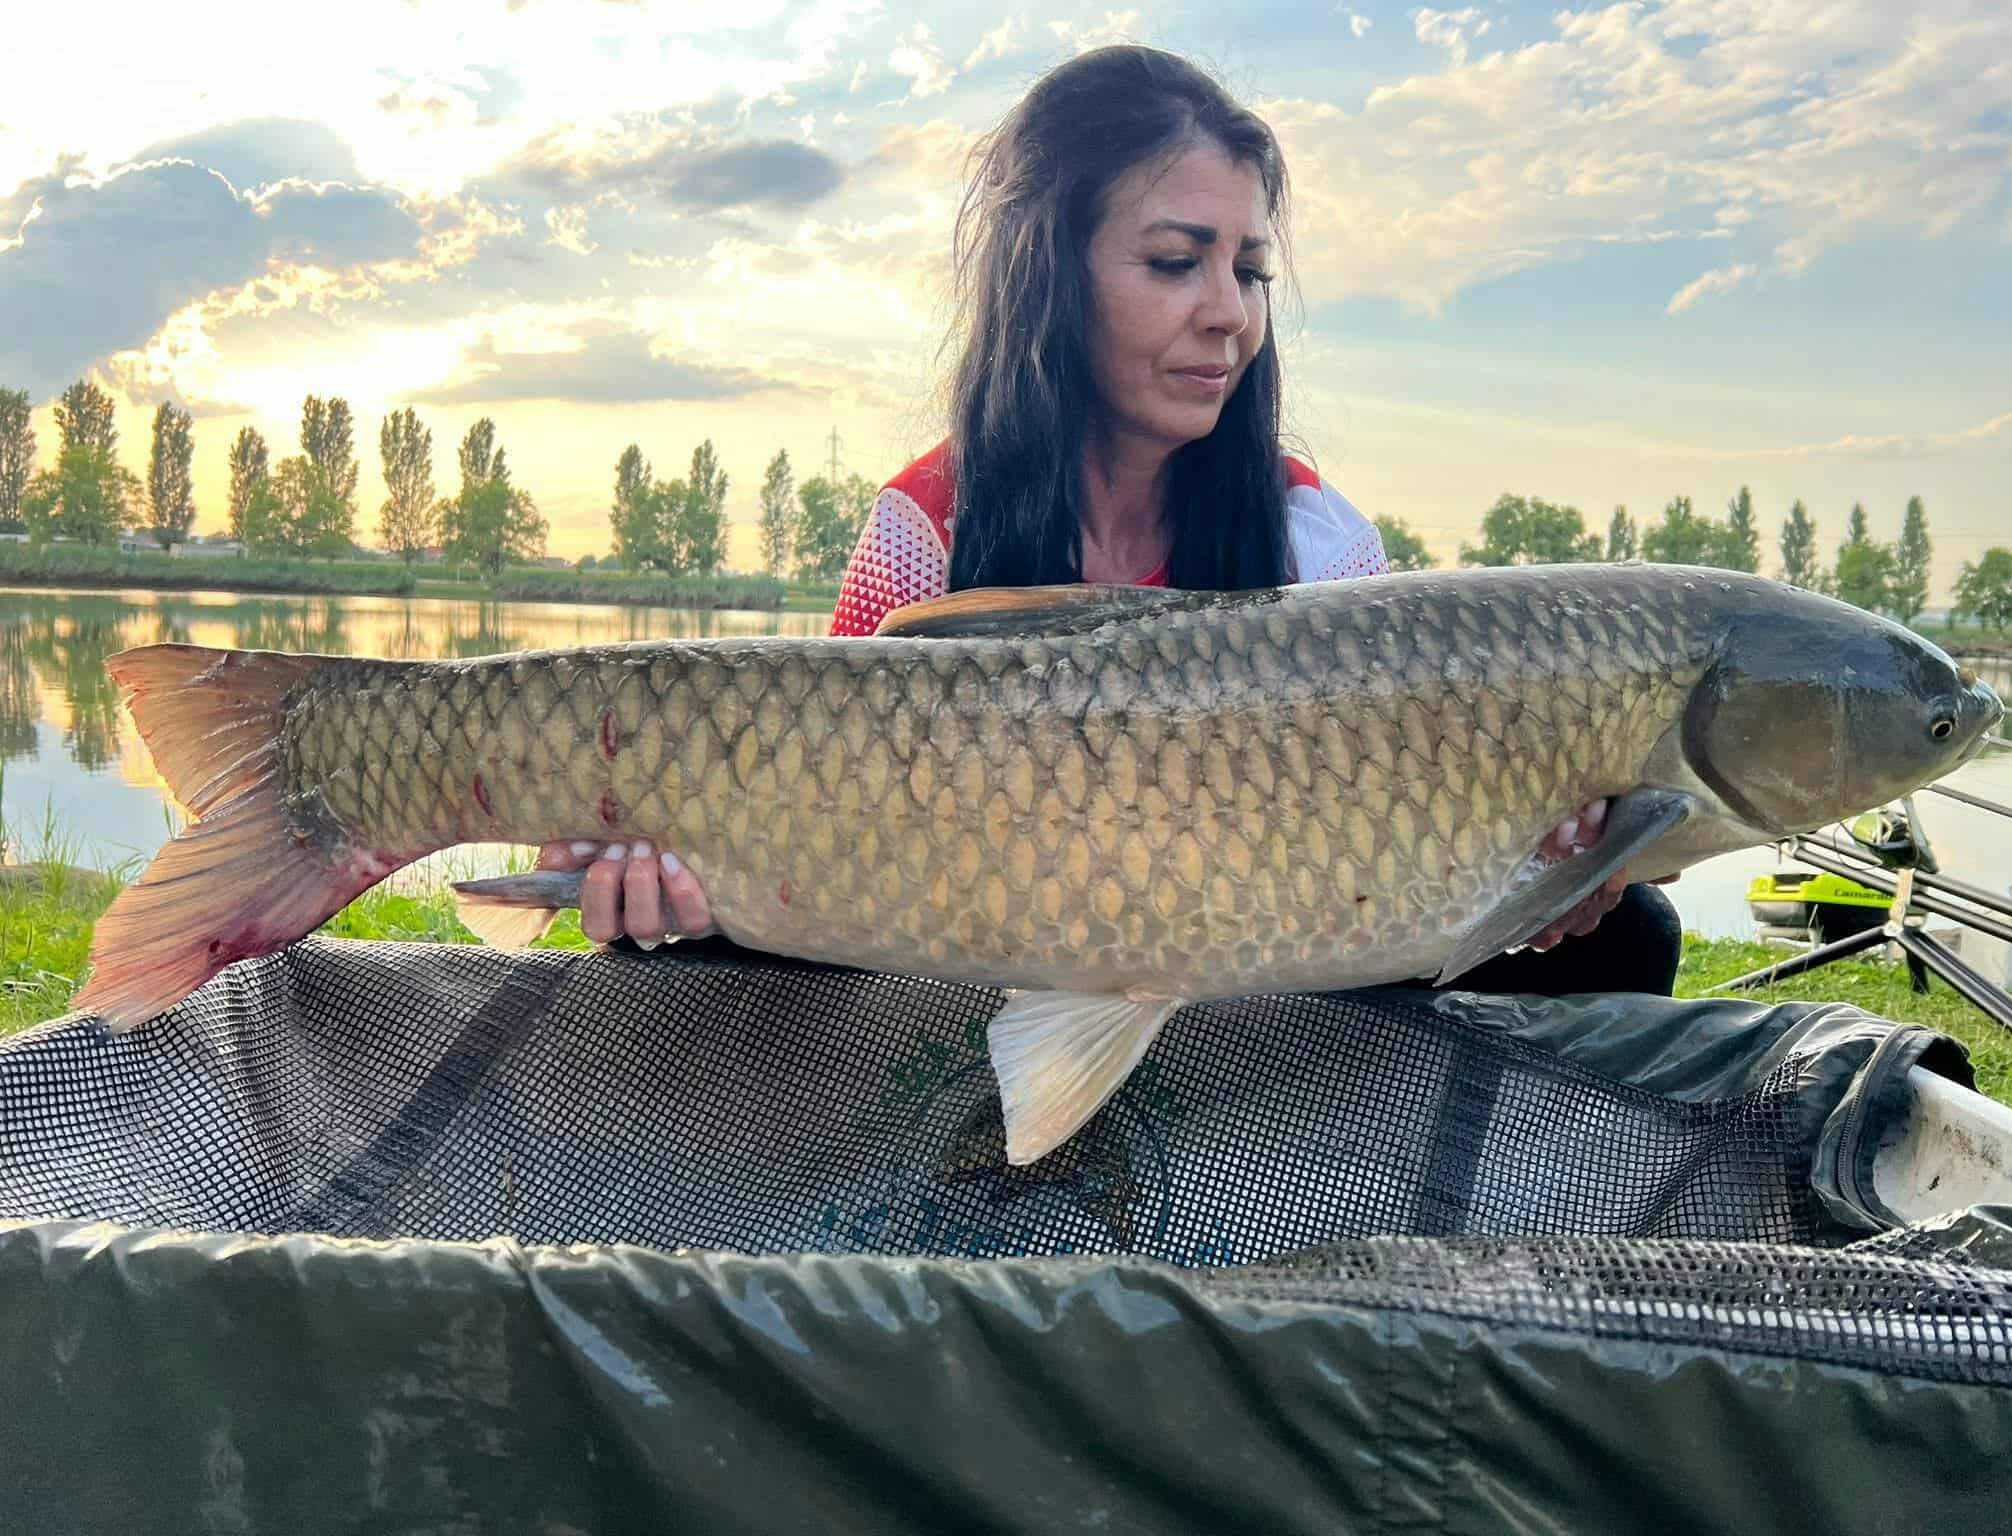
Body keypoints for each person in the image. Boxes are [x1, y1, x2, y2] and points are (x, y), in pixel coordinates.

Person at [535, 45, 1682, 997]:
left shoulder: (1318, 542)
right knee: (673, 947)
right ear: (1048, 274)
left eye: (1249, 271)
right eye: (1176, 262)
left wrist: (1540, 878)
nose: (1228, 314)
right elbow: (823, 831)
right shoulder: (922, 529)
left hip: (1267, 968)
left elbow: (1419, 857)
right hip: (972, 951)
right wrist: (684, 891)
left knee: (1632, 939)